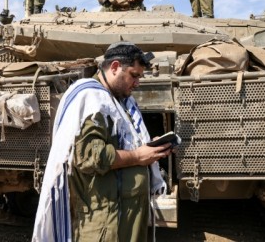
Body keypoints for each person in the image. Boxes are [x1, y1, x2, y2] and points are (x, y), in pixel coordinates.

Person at [32, 42, 171, 242]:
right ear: (114, 67)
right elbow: (90, 156)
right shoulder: (93, 100)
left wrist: (150, 146)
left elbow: (124, 139)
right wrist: (138, 156)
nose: (137, 83)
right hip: (107, 222)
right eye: (134, 75)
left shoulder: (118, 99)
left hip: (126, 216)